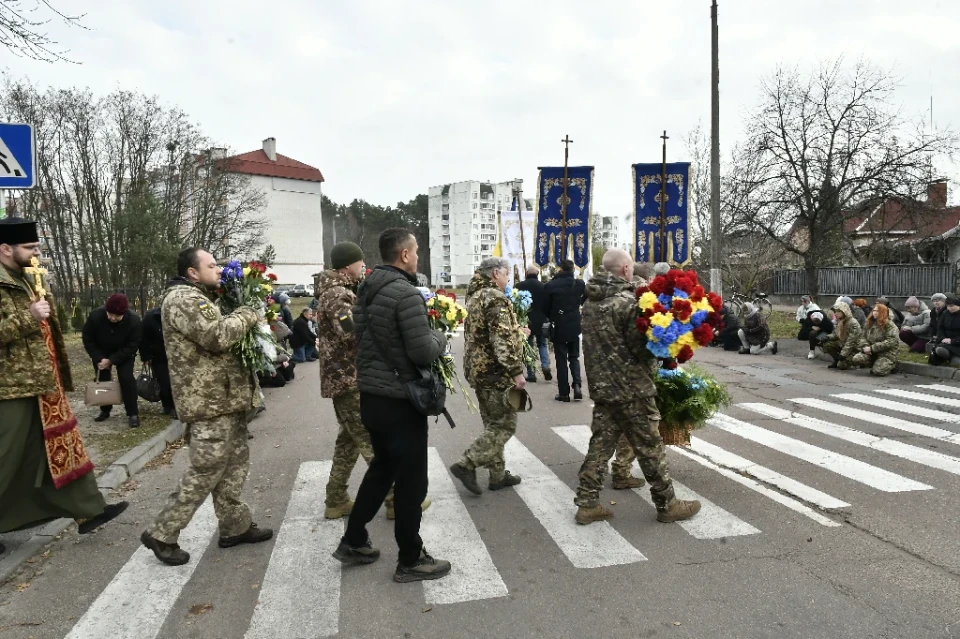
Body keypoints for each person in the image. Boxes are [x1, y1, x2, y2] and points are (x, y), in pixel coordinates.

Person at [0, 218, 127, 555]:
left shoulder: (26, 279)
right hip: (9, 388)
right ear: (5, 249)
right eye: (30, 248)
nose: (37, 253)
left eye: (37, 247)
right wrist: (28, 317)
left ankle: (89, 511)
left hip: (42, 382)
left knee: (62, 447)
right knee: (7, 459)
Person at [140, 247, 273, 566]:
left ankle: (235, 526)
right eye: (212, 265)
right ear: (192, 272)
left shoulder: (203, 296)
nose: (219, 270)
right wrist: (247, 312)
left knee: (234, 466)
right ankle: (162, 532)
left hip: (225, 400)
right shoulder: (185, 299)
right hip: (209, 403)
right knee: (206, 469)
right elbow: (216, 335)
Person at [332, 228, 450, 583]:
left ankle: (353, 540)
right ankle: (411, 559)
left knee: (382, 470)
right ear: (404, 255)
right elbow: (421, 351)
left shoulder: (365, 289)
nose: (417, 257)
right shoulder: (405, 293)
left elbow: (359, 336)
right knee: (412, 481)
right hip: (400, 403)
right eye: (415, 251)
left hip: (371, 397)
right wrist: (441, 335)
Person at [573, 248, 700, 525]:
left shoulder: (591, 303)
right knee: (650, 446)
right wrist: (666, 344)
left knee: (601, 444)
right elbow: (641, 349)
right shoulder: (627, 304)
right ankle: (667, 504)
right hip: (631, 388)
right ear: (626, 269)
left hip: (603, 387)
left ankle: (587, 503)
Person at [317, 241, 430, 522]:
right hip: (349, 379)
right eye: (359, 261)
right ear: (347, 265)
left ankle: (335, 498)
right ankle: (396, 499)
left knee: (349, 441)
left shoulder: (342, 292)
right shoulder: (338, 296)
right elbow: (351, 334)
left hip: (346, 378)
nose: (363, 265)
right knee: (372, 441)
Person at [449, 258, 527, 495]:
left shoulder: (474, 296)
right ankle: (467, 464)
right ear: (495, 273)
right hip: (495, 372)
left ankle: (497, 475)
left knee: (492, 423)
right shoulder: (494, 297)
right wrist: (516, 371)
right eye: (506, 274)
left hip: (478, 370)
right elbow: (500, 339)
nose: (507, 279)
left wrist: (518, 331)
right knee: (505, 425)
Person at [82, 294, 143, 428]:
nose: (113, 318)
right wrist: (98, 357)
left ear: (124, 313)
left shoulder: (133, 320)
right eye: (110, 314)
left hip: (124, 353)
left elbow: (133, 344)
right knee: (103, 379)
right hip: (101, 352)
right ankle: (105, 410)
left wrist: (112, 360)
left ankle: (132, 413)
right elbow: (87, 338)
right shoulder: (96, 316)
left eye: (117, 316)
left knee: (126, 378)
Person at [543, 259, 586, 402]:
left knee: (561, 359)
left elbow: (546, 307)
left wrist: (553, 315)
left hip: (558, 324)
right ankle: (578, 385)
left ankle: (564, 392)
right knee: (574, 357)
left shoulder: (551, 285)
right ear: (573, 269)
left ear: (560, 269)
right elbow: (584, 300)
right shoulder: (579, 284)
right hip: (574, 323)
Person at [515, 265, 551, 383]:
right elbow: (547, 303)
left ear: (526, 273)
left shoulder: (519, 286)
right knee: (542, 344)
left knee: (528, 346)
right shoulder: (544, 286)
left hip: (525, 321)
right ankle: (545, 366)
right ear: (537, 274)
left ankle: (531, 373)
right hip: (541, 320)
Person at [140, 307, 176, 418]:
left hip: (177, 355)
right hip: (159, 355)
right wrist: (146, 356)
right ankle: (167, 406)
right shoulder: (150, 318)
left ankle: (178, 407)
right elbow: (143, 337)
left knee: (177, 382)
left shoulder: (180, 315)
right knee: (163, 382)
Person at [850, 304, 901, 376]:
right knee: (857, 358)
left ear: (883, 312)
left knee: (878, 371)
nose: (875, 312)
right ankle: (875, 363)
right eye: (874, 310)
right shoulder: (869, 323)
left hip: (886, 353)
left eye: (878, 311)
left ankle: (892, 365)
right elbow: (863, 337)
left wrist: (872, 348)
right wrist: (865, 347)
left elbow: (890, 342)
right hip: (871, 352)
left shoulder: (890, 326)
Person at [822, 302, 862, 370]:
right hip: (842, 345)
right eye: (835, 311)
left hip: (854, 349)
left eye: (838, 311)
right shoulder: (840, 321)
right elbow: (836, 334)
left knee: (841, 366)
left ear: (844, 311)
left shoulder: (853, 323)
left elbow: (851, 342)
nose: (836, 313)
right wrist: (828, 337)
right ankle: (837, 360)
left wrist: (843, 354)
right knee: (827, 344)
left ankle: (860, 362)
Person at [928, 296, 960, 366]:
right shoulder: (945, 313)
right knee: (939, 350)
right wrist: (942, 338)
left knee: (956, 363)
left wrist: (953, 341)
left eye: (952, 306)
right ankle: (948, 357)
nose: (949, 308)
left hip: (957, 344)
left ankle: (954, 357)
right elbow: (940, 327)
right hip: (945, 342)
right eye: (948, 306)